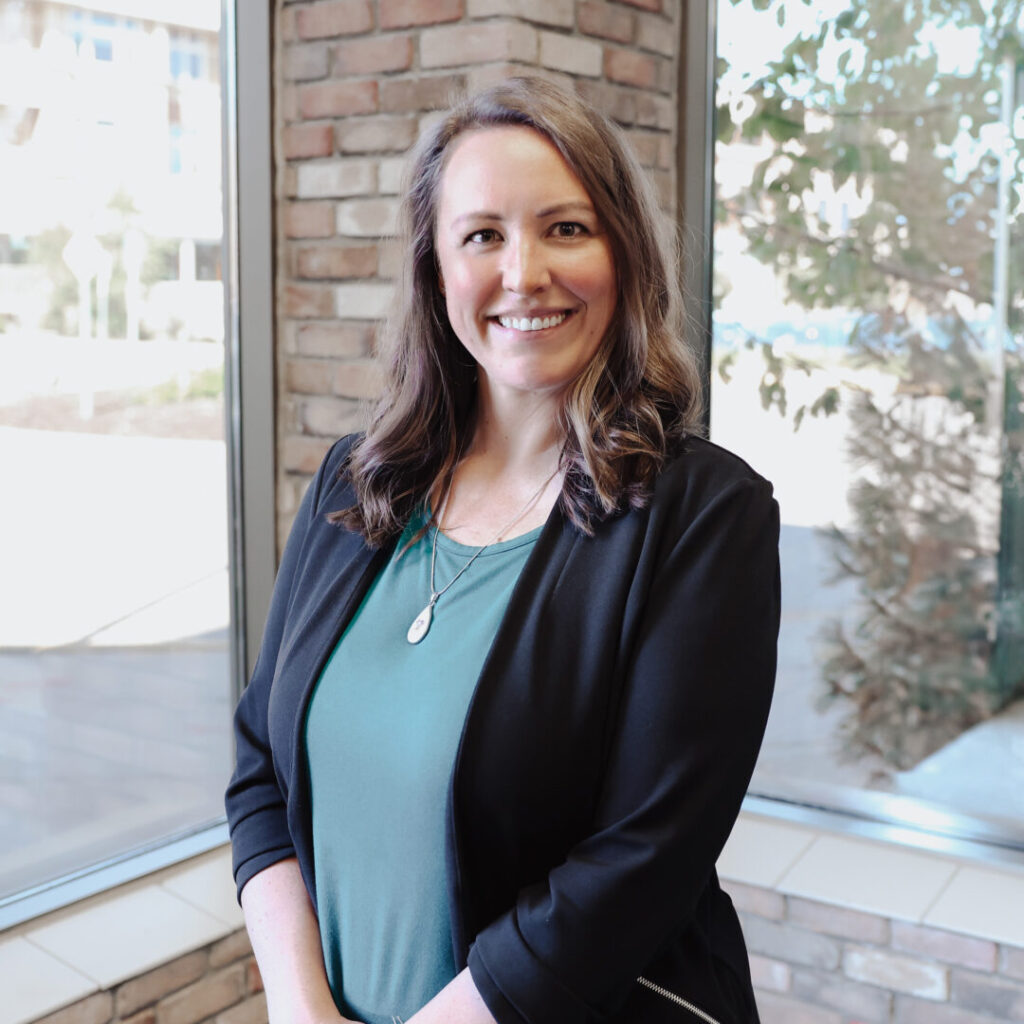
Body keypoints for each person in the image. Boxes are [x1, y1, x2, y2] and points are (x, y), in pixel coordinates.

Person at [225, 77, 780, 1024]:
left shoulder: (705, 516)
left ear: (624, 255)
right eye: (483, 235)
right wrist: (299, 1003)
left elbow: (643, 855)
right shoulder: (352, 486)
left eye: (566, 228)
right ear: (436, 270)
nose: (524, 273)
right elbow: (257, 769)